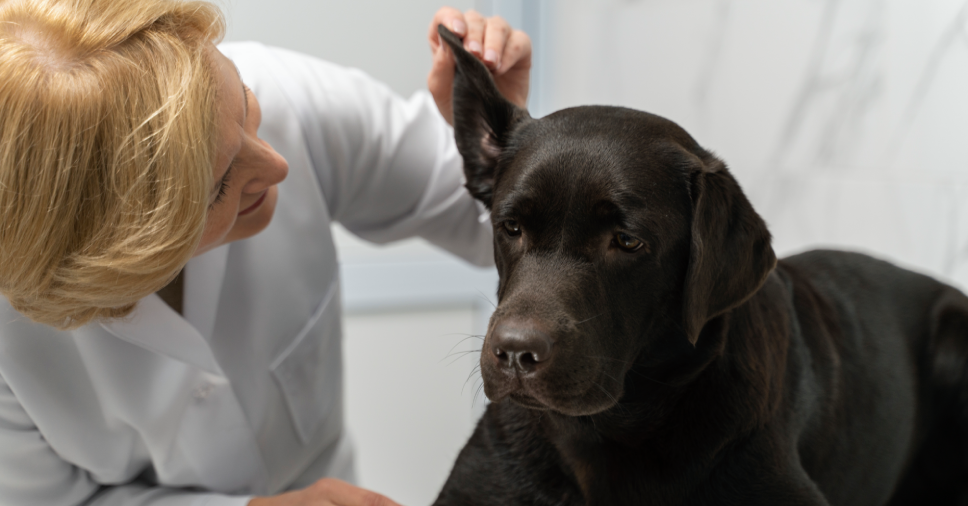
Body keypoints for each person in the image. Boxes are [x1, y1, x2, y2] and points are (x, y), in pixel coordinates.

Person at [0, 1, 531, 504]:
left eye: (246, 104)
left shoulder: (291, 99)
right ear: (122, 253)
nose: (277, 165)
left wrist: (504, 145)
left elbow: (498, 228)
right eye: (221, 185)